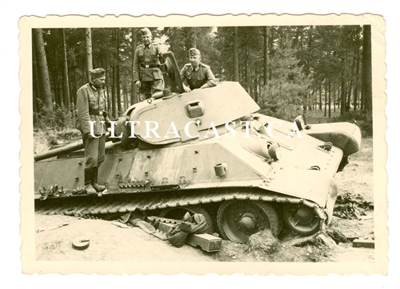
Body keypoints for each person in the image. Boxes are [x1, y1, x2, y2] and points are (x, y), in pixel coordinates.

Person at [75, 68, 107, 195]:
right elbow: (83, 112)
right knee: (92, 158)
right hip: (91, 126)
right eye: (101, 79)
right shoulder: (83, 91)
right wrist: (88, 130)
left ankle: (95, 182)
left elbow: (102, 109)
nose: (103, 82)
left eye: (104, 79)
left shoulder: (101, 90)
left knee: (100, 157)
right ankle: (88, 184)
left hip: (101, 125)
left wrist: (108, 121)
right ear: (93, 79)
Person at [133, 28, 164, 100]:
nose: (146, 39)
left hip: (156, 76)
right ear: (142, 38)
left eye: (147, 37)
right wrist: (136, 80)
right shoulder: (138, 49)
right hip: (144, 77)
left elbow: (163, 61)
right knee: (146, 100)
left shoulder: (157, 47)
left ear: (151, 37)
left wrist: (161, 54)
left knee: (158, 96)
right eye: (144, 37)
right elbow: (135, 65)